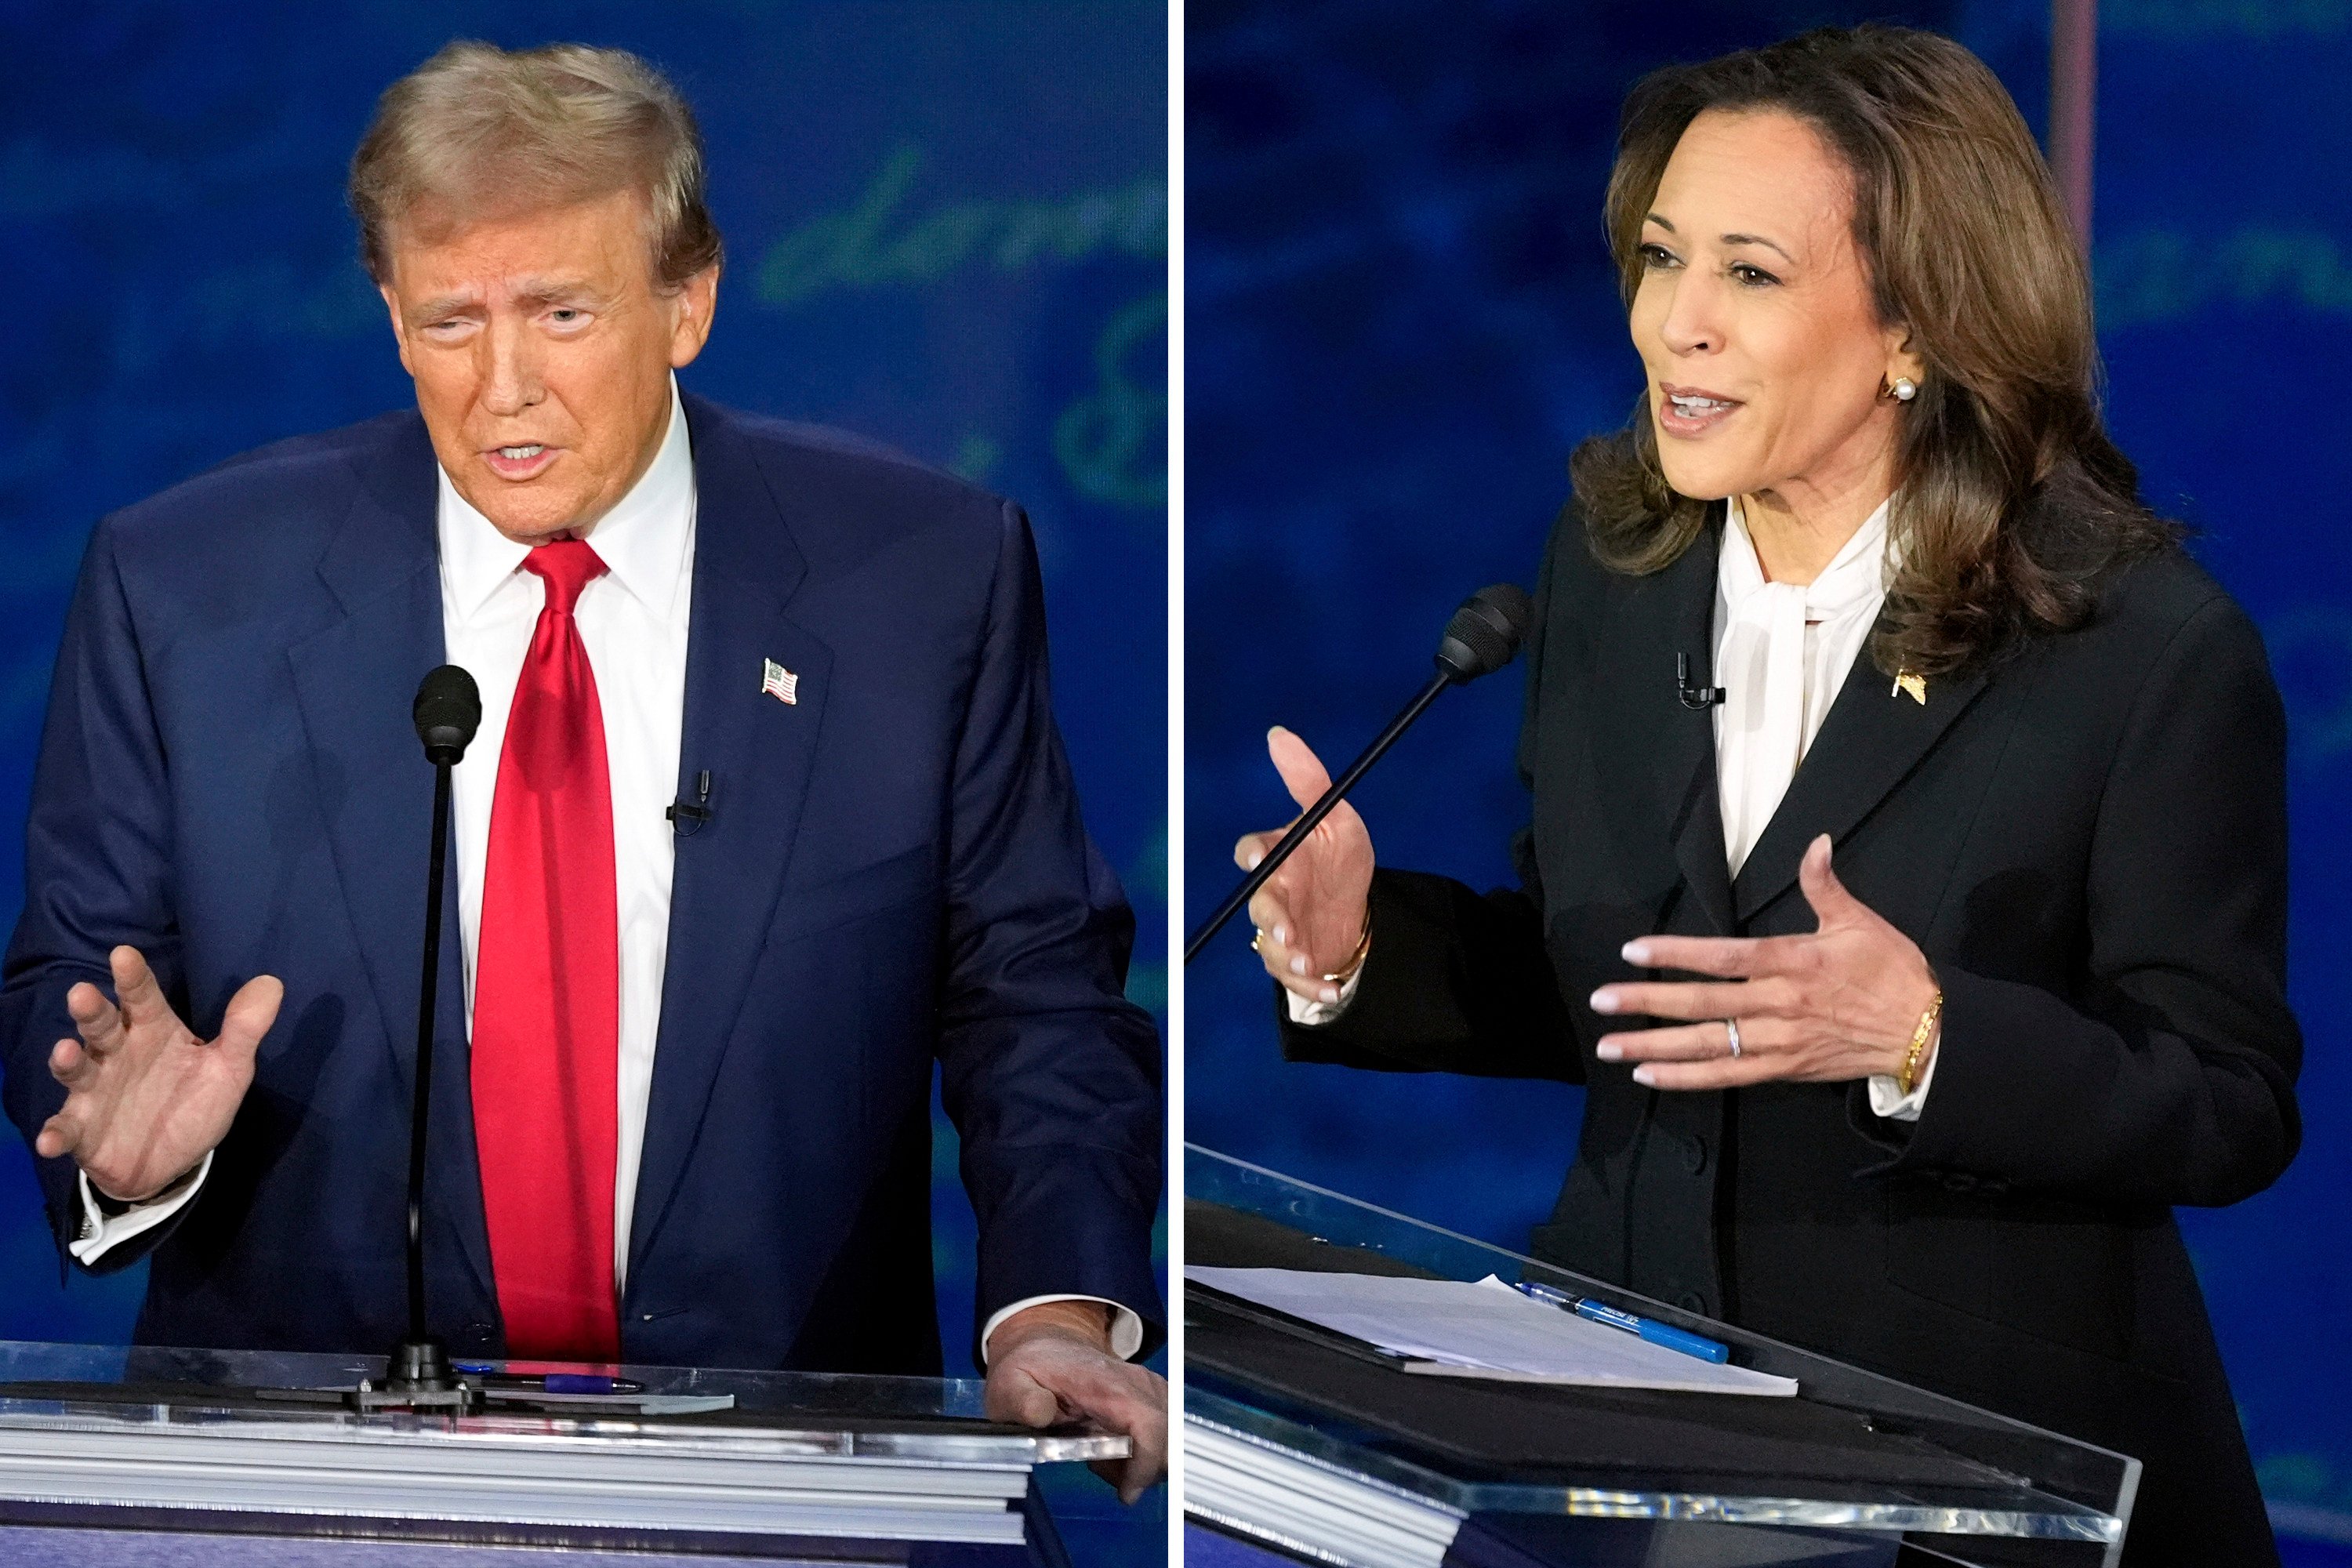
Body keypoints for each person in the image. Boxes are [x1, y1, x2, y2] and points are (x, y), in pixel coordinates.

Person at [0, 42, 1164, 1501]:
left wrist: (1055, 1304)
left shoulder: (922, 578)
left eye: (560, 313)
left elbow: (1035, 990)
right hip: (316, 1491)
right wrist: (121, 1153)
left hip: (779, 1474)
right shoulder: (182, 589)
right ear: (389, 314)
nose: (502, 391)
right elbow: (77, 980)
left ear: (689, 301)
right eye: (450, 322)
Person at [1236, 26, 2295, 1564]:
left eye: (1749, 273)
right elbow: (1623, 983)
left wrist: (1924, 1038)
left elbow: (2230, 1100)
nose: (1678, 326)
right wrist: (1354, 947)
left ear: (1918, 327)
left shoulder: (2140, 647)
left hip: (1971, 1471)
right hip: (1621, 1441)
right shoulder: (1614, 571)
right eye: (1662, 259)